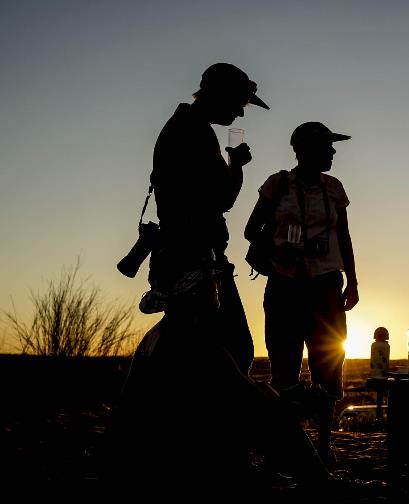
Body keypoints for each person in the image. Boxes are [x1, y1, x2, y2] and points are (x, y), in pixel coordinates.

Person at [111, 64, 343, 494]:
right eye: (240, 102)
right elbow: (220, 199)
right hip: (196, 262)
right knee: (230, 355)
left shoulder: (184, 128)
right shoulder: (195, 132)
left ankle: (219, 455)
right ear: (219, 95)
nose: (241, 113)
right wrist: (236, 166)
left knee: (215, 355)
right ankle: (258, 461)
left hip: (190, 259)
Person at [245, 121, 359, 466]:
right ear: (305, 151)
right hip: (285, 285)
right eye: (327, 146)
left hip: (326, 285)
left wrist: (352, 282)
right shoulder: (277, 185)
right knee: (284, 370)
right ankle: (284, 447)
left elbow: (345, 237)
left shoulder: (335, 188)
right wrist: (278, 251)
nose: (333, 152)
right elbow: (251, 230)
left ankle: (324, 445)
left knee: (328, 367)